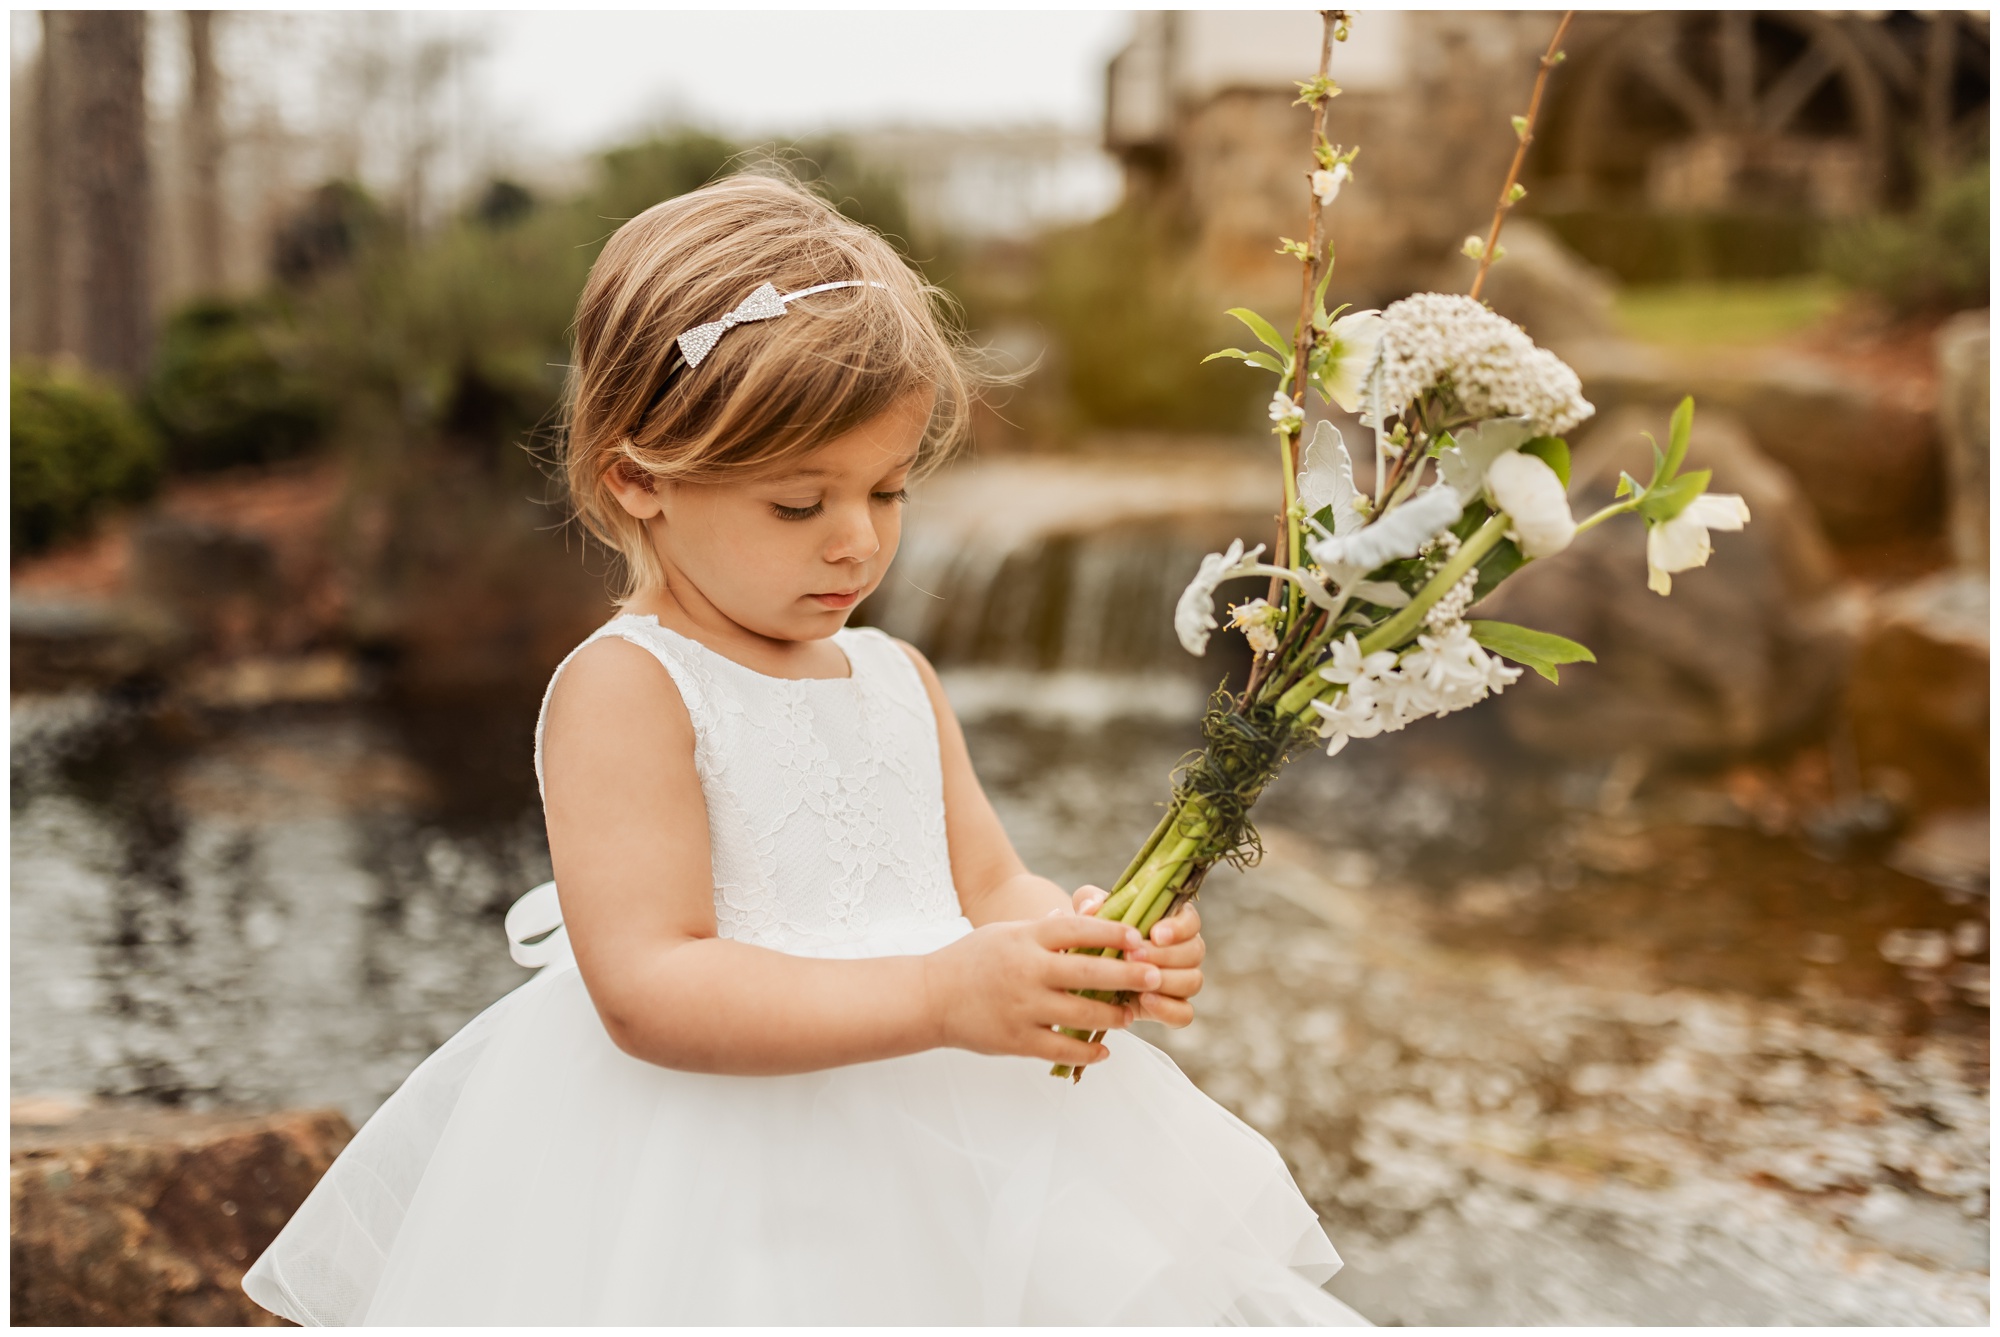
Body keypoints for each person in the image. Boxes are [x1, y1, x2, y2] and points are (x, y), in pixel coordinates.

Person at [242, 172, 1368, 1326]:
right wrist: (937, 994)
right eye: (798, 504)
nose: (857, 541)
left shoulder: (895, 675)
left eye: (887, 490)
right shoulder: (630, 687)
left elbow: (987, 884)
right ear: (638, 478)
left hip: (950, 1142)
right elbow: (649, 985)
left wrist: (1079, 946)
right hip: (717, 1182)